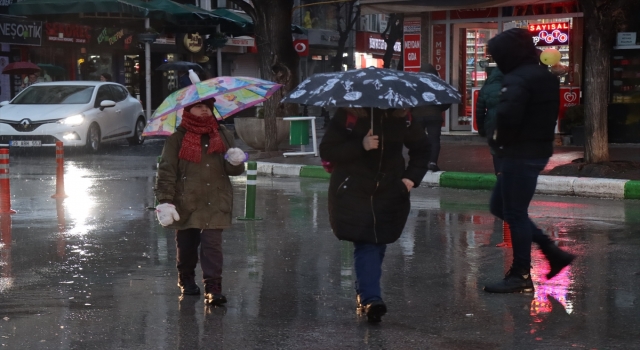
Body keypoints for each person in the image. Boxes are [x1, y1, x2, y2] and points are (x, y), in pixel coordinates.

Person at [483, 28, 575, 294]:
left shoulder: (518, 78)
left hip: (519, 152)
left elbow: (508, 116)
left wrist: (497, 141)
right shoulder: (541, 75)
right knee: (501, 206)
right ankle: (551, 252)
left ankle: (522, 273)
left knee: (513, 212)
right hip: (533, 150)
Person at [319, 107, 430, 323]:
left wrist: (410, 179)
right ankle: (371, 298)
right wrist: (361, 145)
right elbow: (328, 150)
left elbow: (423, 148)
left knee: (378, 241)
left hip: (389, 189)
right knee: (367, 242)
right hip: (354, 189)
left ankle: (365, 293)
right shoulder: (349, 115)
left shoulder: (402, 116)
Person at [154, 98, 247, 305]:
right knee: (187, 245)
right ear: (188, 110)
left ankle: (213, 287)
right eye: (198, 106)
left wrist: (235, 161)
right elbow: (167, 170)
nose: (204, 110)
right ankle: (186, 279)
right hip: (186, 200)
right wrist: (165, 201)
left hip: (216, 199)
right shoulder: (177, 138)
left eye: (207, 107)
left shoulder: (223, 134)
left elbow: (233, 170)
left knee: (212, 245)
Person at [411, 63, 450, 172]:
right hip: (434, 116)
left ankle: (418, 163)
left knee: (418, 140)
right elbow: (448, 100)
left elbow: (410, 100)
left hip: (417, 116)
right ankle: (432, 163)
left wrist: (412, 111)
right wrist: (439, 109)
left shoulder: (415, 84)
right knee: (434, 140)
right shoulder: (438, 84)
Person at [475, 68, 504, 174]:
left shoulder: (486, 89)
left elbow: (480, 112)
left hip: (492, 123)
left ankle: (499, 175)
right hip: (508, 121)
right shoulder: (510, 86)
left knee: (495, 150)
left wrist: (481, 129)